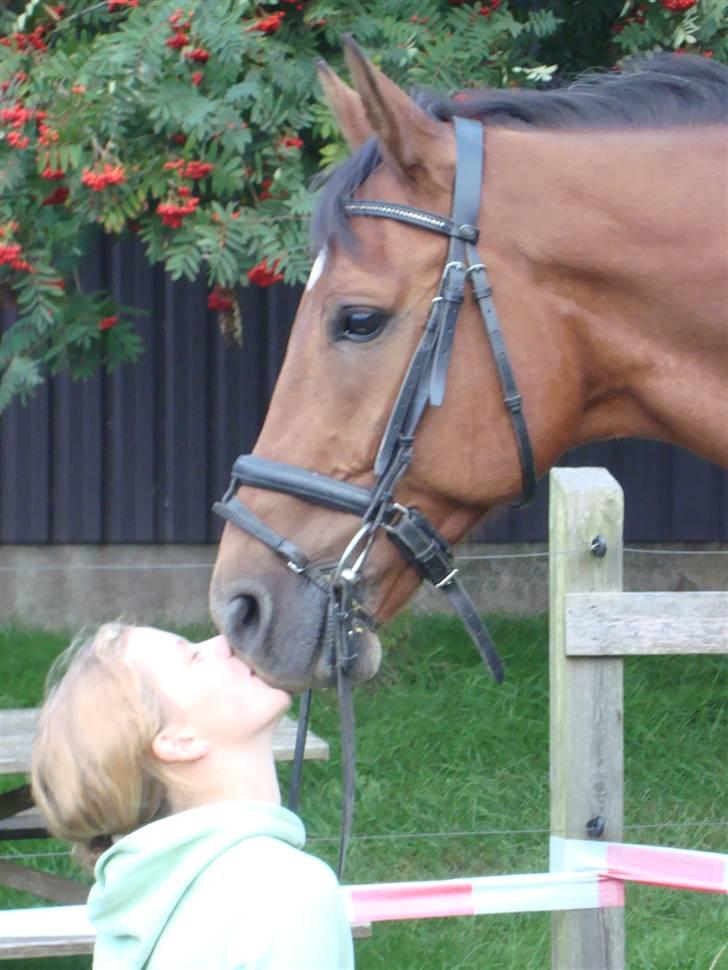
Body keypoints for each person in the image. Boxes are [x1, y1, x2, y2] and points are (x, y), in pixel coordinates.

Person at [31, 623, 355, 970]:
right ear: (178, 741)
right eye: (194, 657)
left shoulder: (135, 912)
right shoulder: (288, 893)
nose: (223, 641)